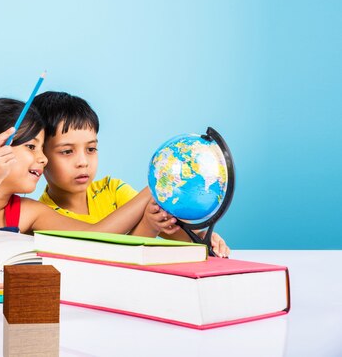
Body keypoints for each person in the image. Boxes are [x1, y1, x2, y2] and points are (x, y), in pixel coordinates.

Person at [0, 97, 175, 250]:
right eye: (31, 147)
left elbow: (96, 236)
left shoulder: (30, 212)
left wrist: (152, 189)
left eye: (42, 148)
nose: (42, 159)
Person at [32, 91, 230, 257]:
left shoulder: (111, 189)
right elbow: (108, 257)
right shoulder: (43, 216)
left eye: (91, 149)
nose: (83, 162)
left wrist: (203, 237)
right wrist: (153, 194)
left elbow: (171, 229)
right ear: (41, 154)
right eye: (67, 151)